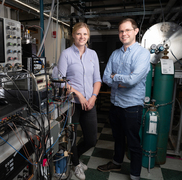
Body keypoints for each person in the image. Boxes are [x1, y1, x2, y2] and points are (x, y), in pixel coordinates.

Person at [97, 18, 150, 180]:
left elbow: (133, 80)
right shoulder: (115, 54)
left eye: (127, 30)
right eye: (121, 31)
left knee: (133, 142)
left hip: (132, 107)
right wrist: (122, 80)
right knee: (118, 138)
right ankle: (116, 162)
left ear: (136, 31)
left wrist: (116, 78)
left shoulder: (143, 54)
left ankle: (134, 175)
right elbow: (106, 78)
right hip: (115, 105)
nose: (124, 34)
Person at [58, 22, 101, 180]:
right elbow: (60, 80)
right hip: (72, 104)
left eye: (85, 34)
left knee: (91, 139)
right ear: (73, 36)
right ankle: (76, 164)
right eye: (78, 34)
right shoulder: (66, 54)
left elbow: (97, 79)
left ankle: (73, 157)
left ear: (88, 36)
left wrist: (93, 97)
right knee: (72, 137)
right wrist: (79, 95)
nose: (82, 37)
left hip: (90, 103)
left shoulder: (93, 55)